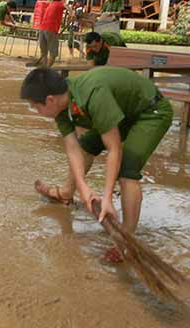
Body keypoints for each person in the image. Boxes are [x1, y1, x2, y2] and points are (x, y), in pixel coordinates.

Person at [20, 67, 173, 262]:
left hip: (150, 112)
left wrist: (107, 197)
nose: (36, 111)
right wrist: (83, 188)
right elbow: (73, 148)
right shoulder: (62, 107)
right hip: (123, 112)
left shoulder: (93, 95)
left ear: (50, 99)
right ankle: (66, 194)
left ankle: (126, 238)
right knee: (86, 146)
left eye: (35, 107)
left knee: (127, 169)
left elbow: (114, 149)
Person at [36, 0, 65, 67]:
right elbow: (66, 6)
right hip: (51, 29)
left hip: (42, 28)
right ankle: (47, 70)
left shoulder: (50, 5)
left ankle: (44, 68)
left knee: (44, 52)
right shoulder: (59, 4)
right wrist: (72, 13)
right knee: (53, 53)